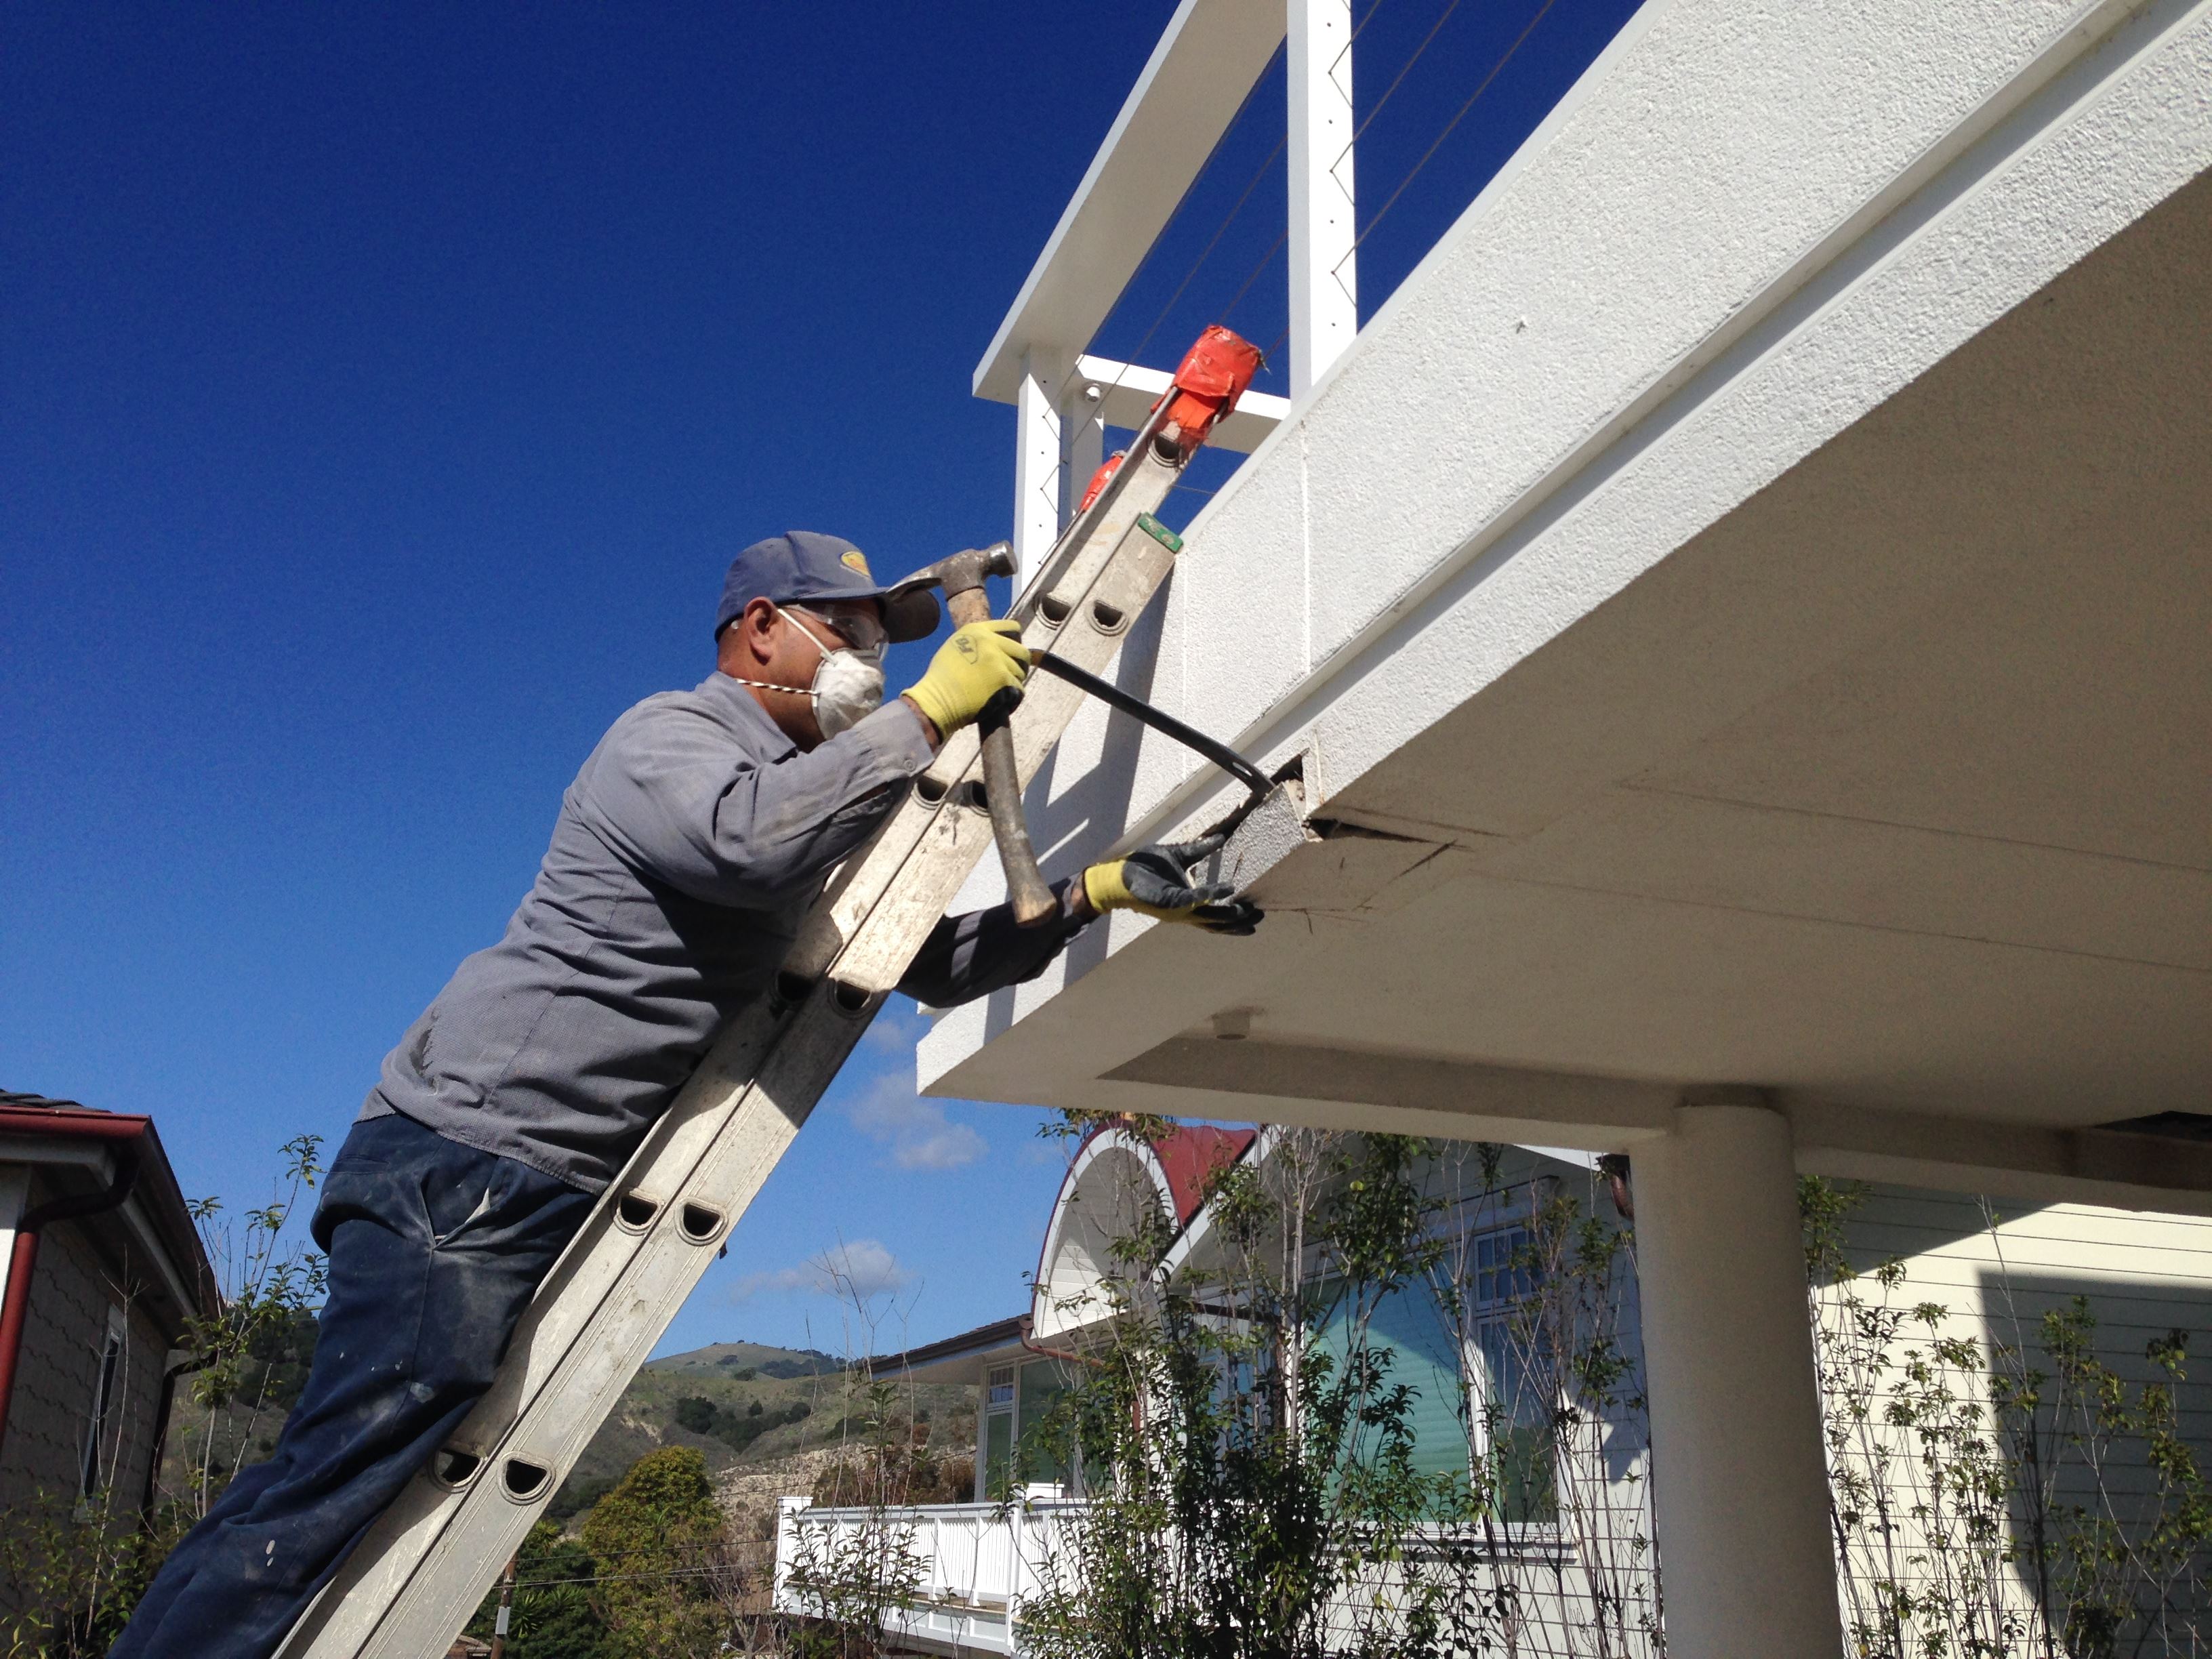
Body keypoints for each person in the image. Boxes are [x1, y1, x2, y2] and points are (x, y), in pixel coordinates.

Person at [111, 531, 1261, 1658]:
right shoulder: (670, 738)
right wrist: (926, 716)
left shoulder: (808, 809)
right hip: (466, 1157)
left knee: (368, 1484)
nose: (874, 664)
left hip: (523, 1174)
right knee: (334, 1478)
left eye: (887, 647)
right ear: (760, 628)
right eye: (850, 635)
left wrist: (1097, 891)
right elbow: (743, 846)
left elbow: (918, 956)